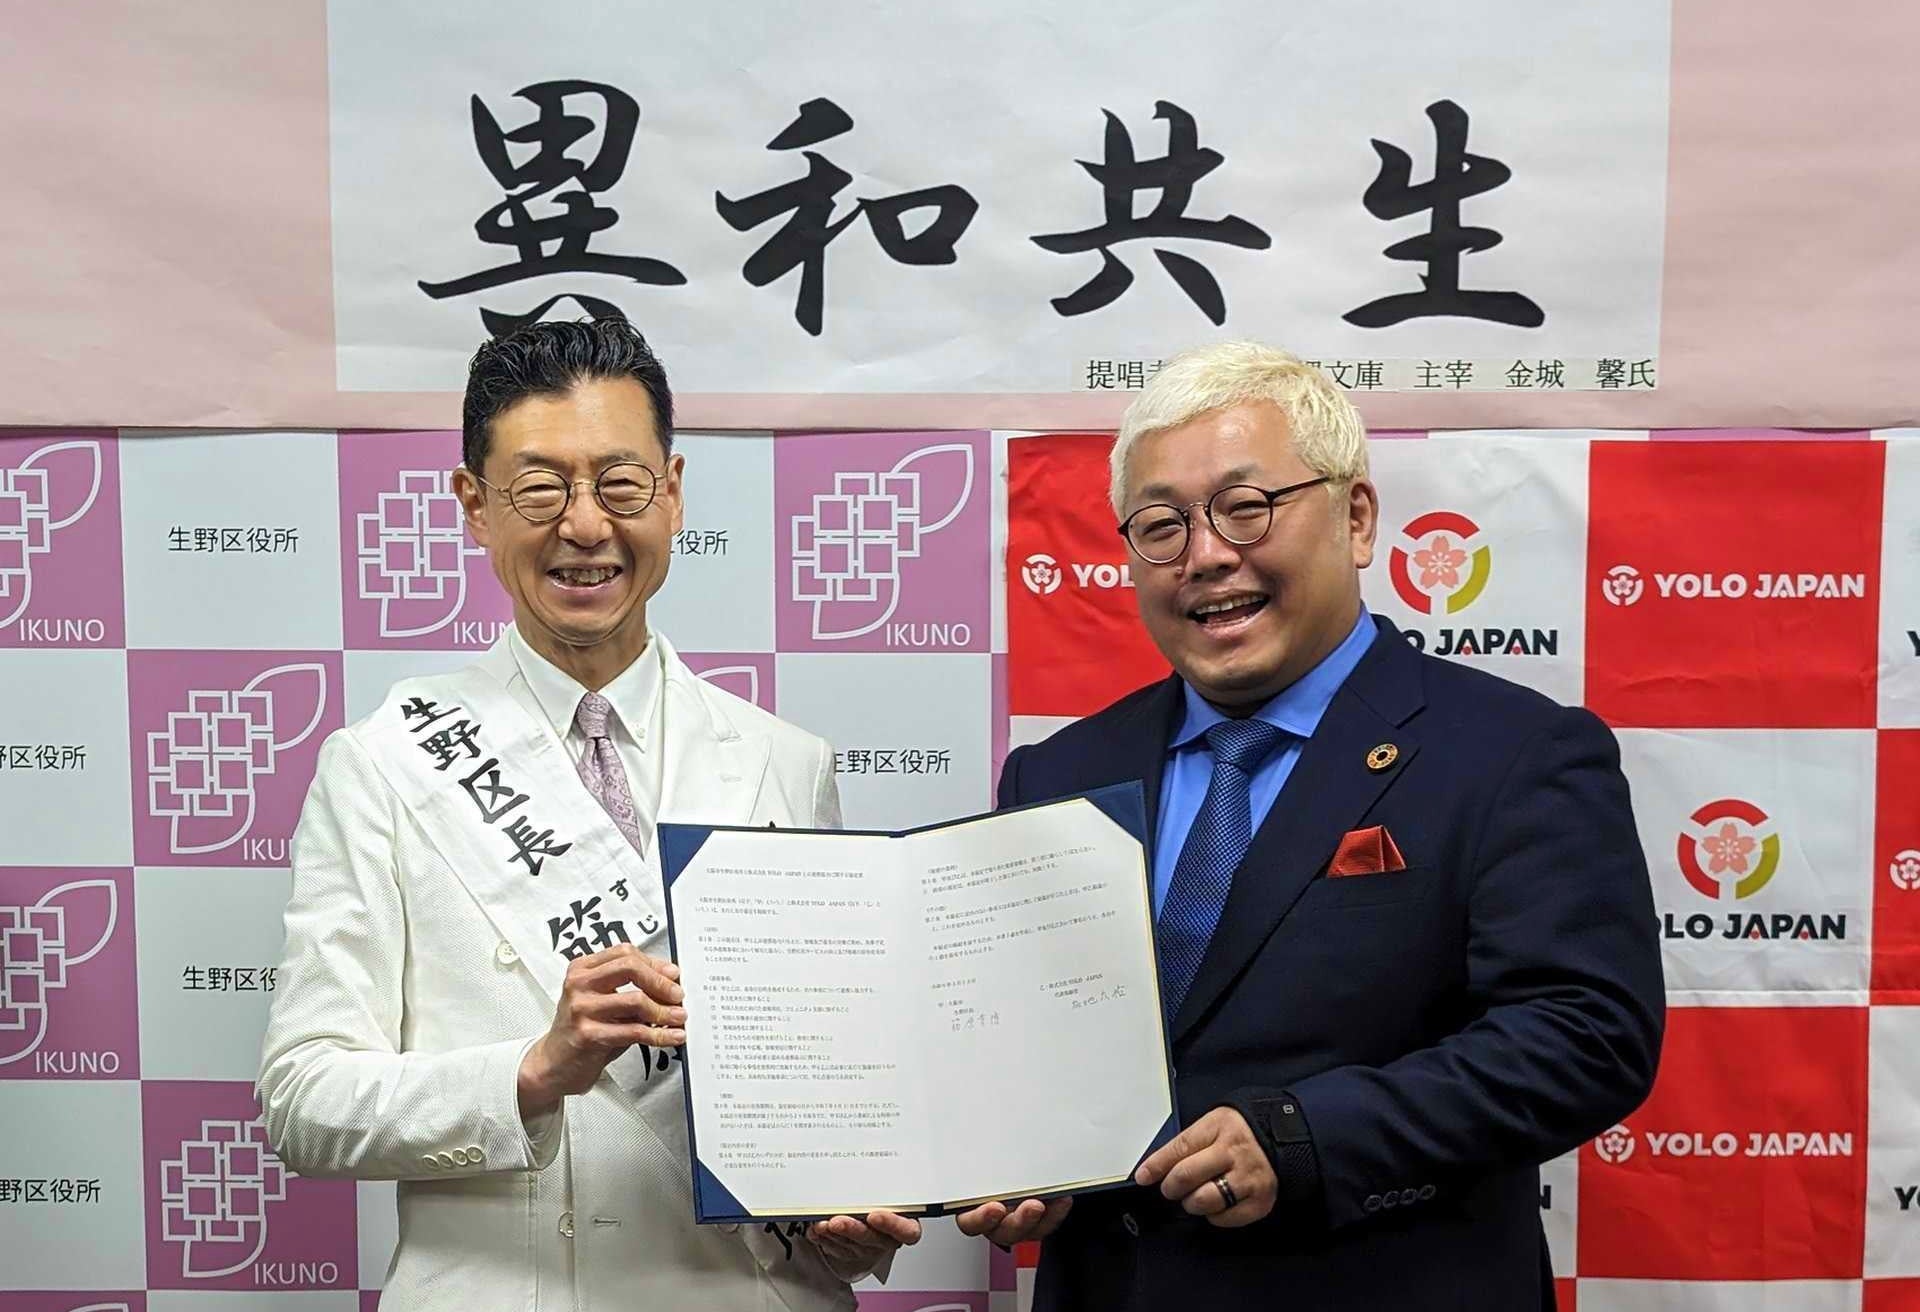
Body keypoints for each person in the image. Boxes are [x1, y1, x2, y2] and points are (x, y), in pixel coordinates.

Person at [958, 341, 1663, 1309]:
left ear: (1356, 518)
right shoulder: (1060, 772)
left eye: (1246, 508)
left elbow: (1586, 1033)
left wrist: (1309, 1136)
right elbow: (1019, 1040)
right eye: (1161, 526)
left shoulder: (1513, 752)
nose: (1207, 554)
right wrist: (1017, 1157)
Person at [259, 317, 917, 1309]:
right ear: (474, 507)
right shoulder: (385, 765)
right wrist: (533, 1071)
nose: (584, 526)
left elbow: (825, 1090)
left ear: (673, 492)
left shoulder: (786, 763)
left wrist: (844, 1215)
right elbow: (304, 1100)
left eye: (620, 484)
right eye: (539, 489)